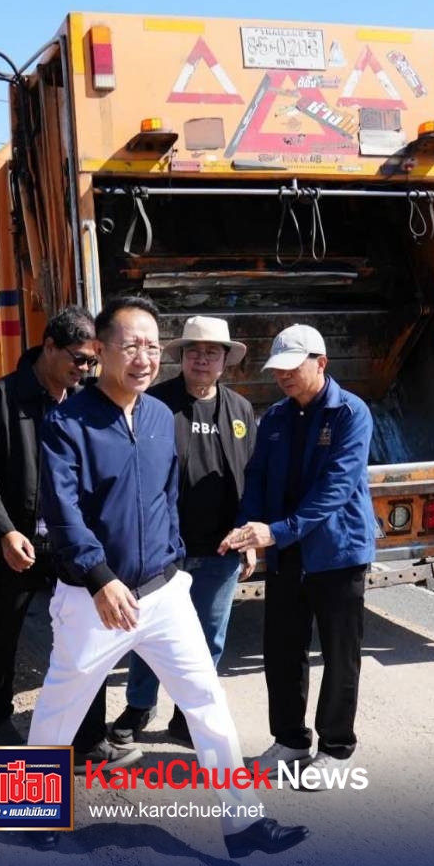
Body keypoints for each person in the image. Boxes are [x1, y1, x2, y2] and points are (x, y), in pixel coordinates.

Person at [29, 295, 309, 858]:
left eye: (152, 347)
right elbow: (62, 512)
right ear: (101, 350)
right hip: (94, 600)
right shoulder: (66, 422)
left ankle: (243, 824)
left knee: (208, 703)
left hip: (162, 592)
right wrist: (100, 577)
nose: (144, 357)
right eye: (131, 345)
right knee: (61, 710)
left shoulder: (158, 417)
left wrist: (175, 561)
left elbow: (163, 497)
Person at [0, 306, 129, 762]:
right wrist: (4, 532)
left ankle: (88, 735)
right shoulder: (3, 396)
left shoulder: (88, 401)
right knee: (7, 629)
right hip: (21, 542)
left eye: (91, 362)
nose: (84, 369)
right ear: (50, 347)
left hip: (72, 544)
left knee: (85, 636)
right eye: (77, 359)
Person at [220, 323, 375, 784]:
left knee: (339, 653)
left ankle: (336, 747)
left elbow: (335, 489)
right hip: (286, 552)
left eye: (292, 367)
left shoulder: (350, 413)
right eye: (278, 370)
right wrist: (250, 535)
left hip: (337, 553)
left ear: (320, 363)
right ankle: (288, 740)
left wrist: (277, 531)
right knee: (282, 651)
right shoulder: (276, 418)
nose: (283, 377)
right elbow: (258, 479)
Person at [109, 316, 257, 749]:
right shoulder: (154, 404)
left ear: (225, 361)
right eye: (194, 351)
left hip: (220, 549)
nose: (202, 358)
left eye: (212, 352)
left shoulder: (241, 411)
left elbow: (251, 478)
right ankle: (139, 705)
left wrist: (248, 541)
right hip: (162, 551)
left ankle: (186, 717)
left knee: (208, 638)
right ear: (182, 357)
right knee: (148, 636)